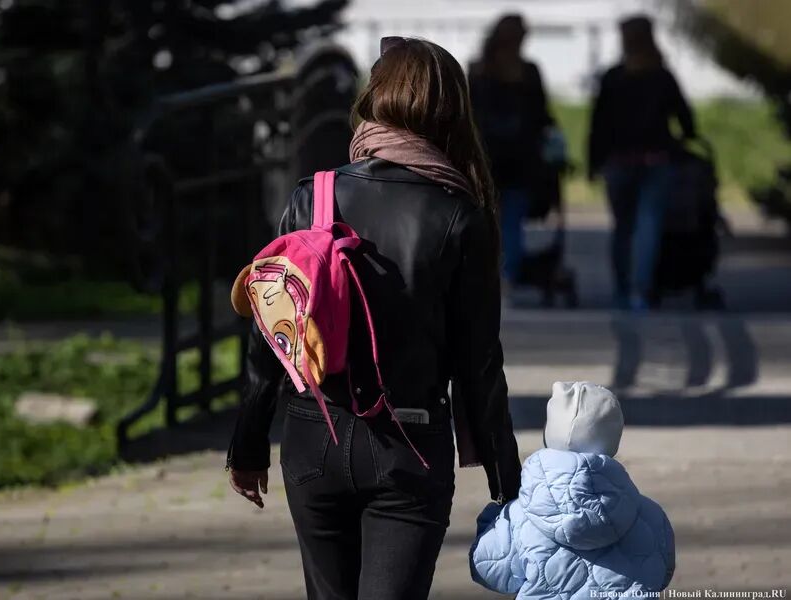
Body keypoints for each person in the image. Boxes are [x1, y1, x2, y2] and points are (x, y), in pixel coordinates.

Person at [226, 37, 521, 600]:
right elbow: (479, 361)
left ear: (374, 101)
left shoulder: (313, 197)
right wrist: (506, 479)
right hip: (409, 444)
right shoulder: (460, 214)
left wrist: (248, 445)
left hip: (313, 437)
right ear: (449, 111)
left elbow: (272, 334)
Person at [470, 381, 675, 598]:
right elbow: (662, 574)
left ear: (549, 434)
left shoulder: (517, 516)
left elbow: (487, 569)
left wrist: (491, 520)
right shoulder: (651, 515)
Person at [589, 15, 697, 311]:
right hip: (656, 159)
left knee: (622, 226)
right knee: (649, 224)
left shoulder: (613, 77)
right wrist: (684, 138)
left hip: (618, 160)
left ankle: (621, 288)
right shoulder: (662, 77)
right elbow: (686, 118)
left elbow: (599, 124)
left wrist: (593, 162)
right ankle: (641, 288)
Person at [469, 14, 557, 285]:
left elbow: (470, 114)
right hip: (521, 157)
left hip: (486, 154)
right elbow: (541, 116)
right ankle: (507, 276)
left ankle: (485, 275)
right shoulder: (528, 72)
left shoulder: (479, 70)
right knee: (513, 221)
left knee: (486, 219)